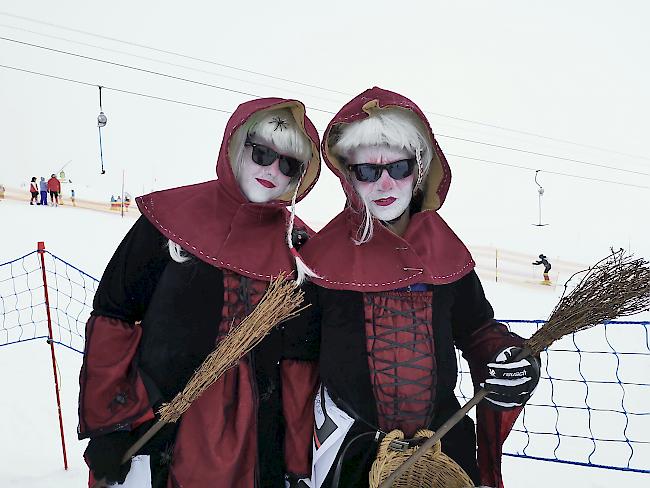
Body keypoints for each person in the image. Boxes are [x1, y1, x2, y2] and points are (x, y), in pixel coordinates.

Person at [300, 87, 540, 488]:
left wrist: (507, 358)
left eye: (399, 167)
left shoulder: (444, 250)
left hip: (441, 448)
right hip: (349, 453)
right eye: (368, 171)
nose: (385, 183)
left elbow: (478, 330)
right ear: (349, 176)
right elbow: (297, 364)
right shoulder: (321, 260)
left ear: (419, 168)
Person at [78, 98, 321, 488]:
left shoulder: (299, 250)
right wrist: (111, 424)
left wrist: (295, 462)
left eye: (288, 164)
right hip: (160, 419)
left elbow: (298, 363)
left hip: (255, 439)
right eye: (261, 153)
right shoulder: (170, 221)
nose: (272, 170)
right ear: (237, 146)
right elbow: (114, 316)